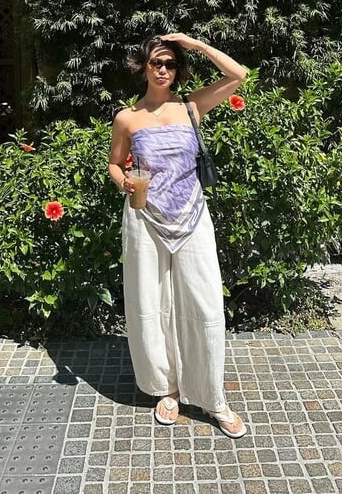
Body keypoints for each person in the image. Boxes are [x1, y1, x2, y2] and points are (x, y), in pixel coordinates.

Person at [108, 32, 248, 438]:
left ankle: (213, 398)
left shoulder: (191, 106)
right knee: (149, 302)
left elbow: (238, 75)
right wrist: (124, 182)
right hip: (144, 217)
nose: (163, 70)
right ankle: (165, 388)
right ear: (143, 67)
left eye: (170, 63)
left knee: (205, 304)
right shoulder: (127, 117)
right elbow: (114, 163)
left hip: (191, 215)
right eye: (156, 62)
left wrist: (194, 44)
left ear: (178, 69)